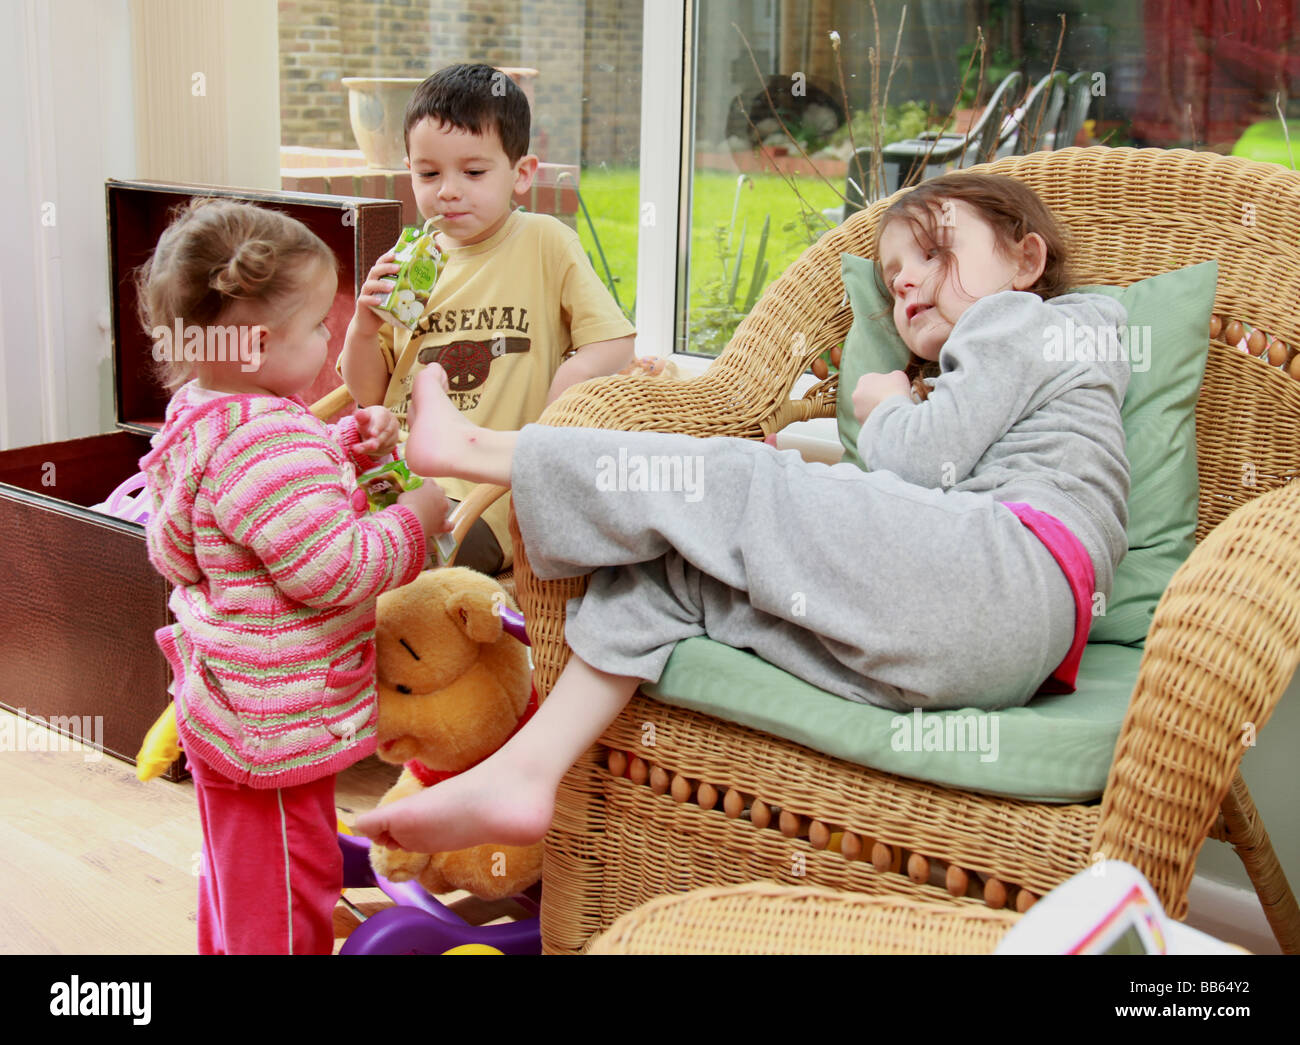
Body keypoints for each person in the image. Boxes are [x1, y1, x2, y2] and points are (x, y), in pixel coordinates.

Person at [353, 172, 1131, 857]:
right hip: (976, 644)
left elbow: (921, 461)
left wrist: (890, 406)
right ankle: (529, 771)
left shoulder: (1030, 322)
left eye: (935, 252)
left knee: (748, 478)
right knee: (674, 572)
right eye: (893, 276)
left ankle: (481, 449)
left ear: (1026, 262)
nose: (906, 283)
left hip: (1007, 574)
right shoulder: (1005, 369)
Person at [136, 198, 453, 954]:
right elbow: (334, 566)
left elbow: (232, 521)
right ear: (255, 344)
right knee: (286, 887)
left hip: (226, 704)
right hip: (273, 726)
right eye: (316, 328)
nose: (325, 343)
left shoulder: (205, 412)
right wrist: (417, 515)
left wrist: (341, 446)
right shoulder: (268, 442)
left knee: (238, 879)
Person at [339, 63, 637, 573]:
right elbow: (368, 393)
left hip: (481, 497)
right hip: (389, 476)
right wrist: (365, 326)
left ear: (521, 174)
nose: (448, 190)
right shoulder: (412, 264)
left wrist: (563, 393)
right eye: (428, 174)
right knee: (313, 549)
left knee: (401, 568)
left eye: (473, 173)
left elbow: (614, 343)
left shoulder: (545, 243)